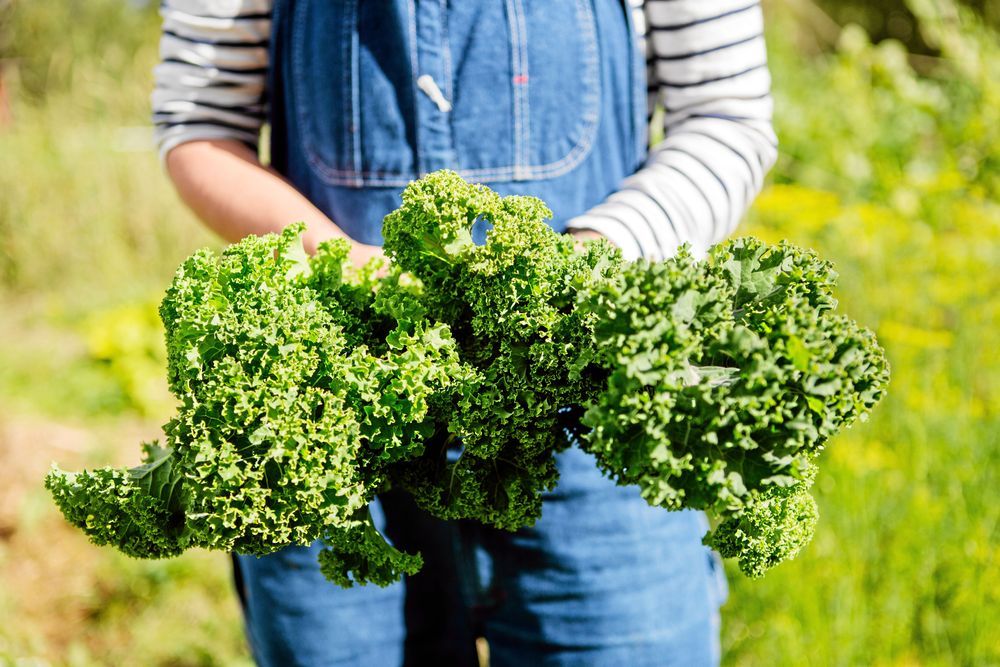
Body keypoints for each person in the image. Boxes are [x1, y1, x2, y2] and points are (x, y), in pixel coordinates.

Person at [154, 1, 777, 664]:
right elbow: (199, 125)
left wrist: (583, 261)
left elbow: (726, 118)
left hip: (591, 410)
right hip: (339, 415)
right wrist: (347, 264)